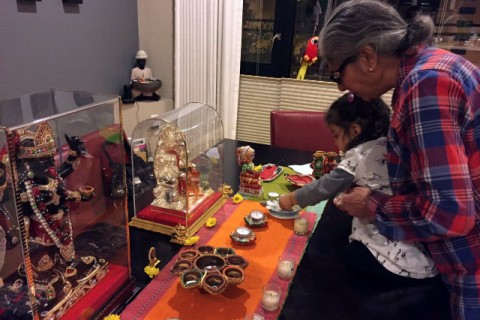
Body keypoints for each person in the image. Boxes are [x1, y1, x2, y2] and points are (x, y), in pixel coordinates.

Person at [317, 1, 480, 318]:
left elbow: (450, 214)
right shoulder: (434, 67)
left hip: (470, 267)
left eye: (338, 74)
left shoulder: (426, 85)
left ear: (367, 57)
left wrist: (371, 203)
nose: (342, 88)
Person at [279, 93, 437, 284]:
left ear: (354, 131)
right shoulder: (389, 145)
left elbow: (325, 186)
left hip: (388, 254)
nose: (335, 143)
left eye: (336, 135)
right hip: (414, 240)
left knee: (346, 255)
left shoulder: (359, 154)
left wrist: (291, 199)